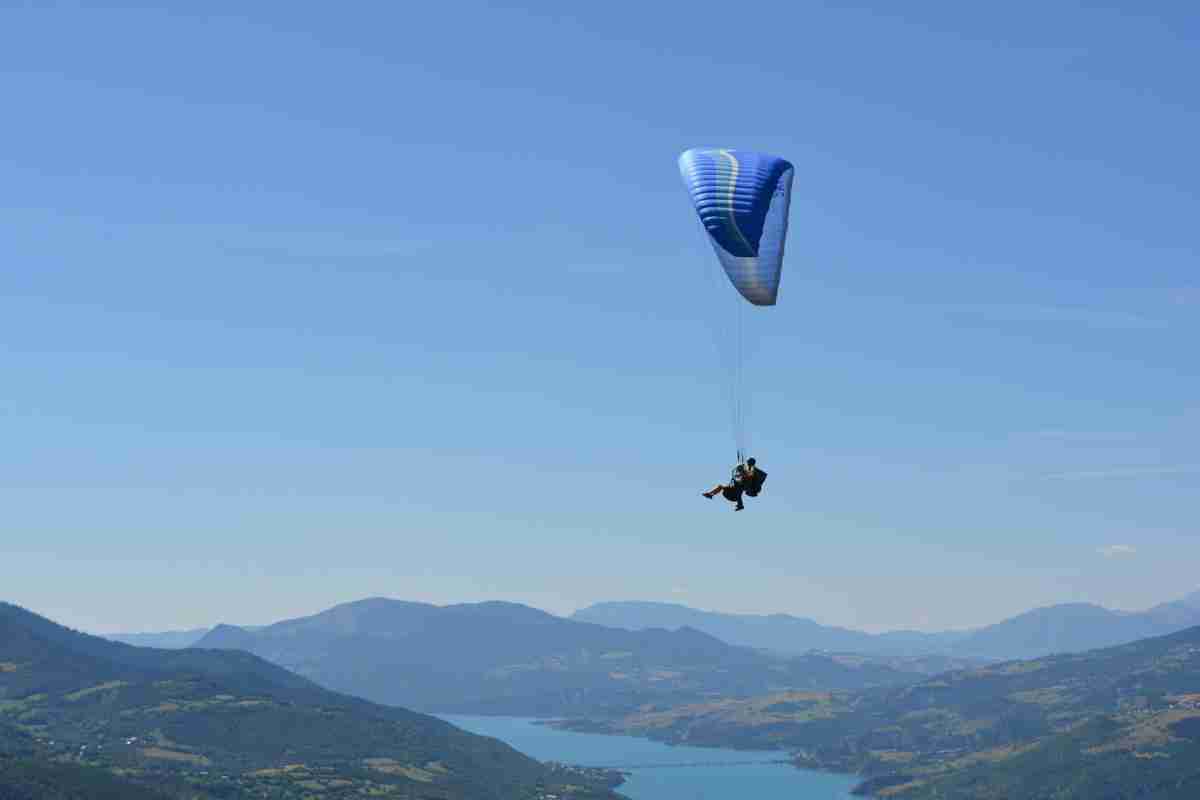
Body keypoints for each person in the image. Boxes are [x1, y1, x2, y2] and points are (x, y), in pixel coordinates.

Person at [702, 458, 766, 511]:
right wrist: (739, 470)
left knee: (738, 489)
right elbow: (738, 474)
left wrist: (744, 475)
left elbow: (749, 477)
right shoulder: (746, 469)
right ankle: (710, 494)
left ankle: (740, 505)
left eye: (748, 462)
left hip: (734, 495)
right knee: (721, 486)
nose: (747, 464)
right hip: (731, 490)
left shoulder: (752, 472)